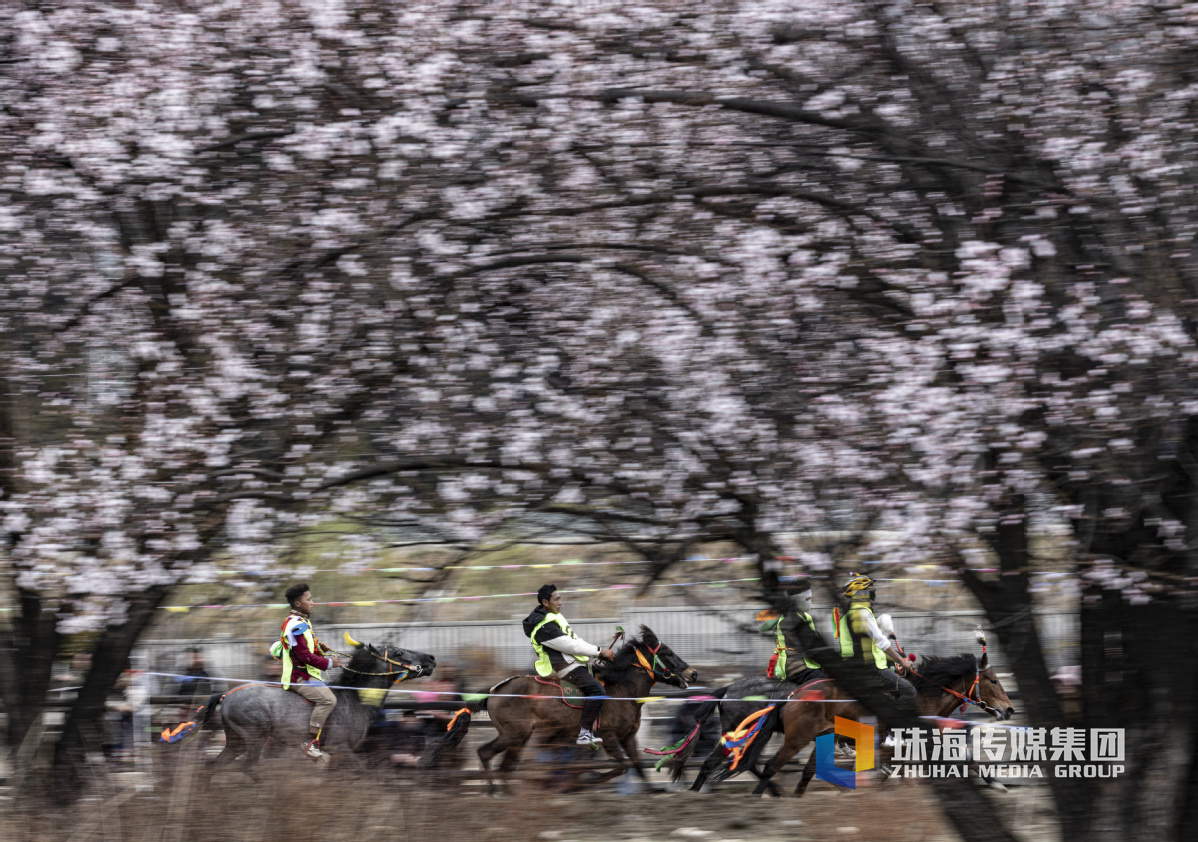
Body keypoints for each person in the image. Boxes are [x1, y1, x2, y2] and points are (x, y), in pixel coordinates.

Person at [522, 583, 614, 747]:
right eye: (557, 599)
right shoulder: (544, 626)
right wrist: (599, 651)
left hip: (575, 663)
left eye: (560, 599)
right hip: (565, 668)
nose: (560, 602)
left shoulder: (555, 617)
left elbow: (576, 641)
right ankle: (585, 733)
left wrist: (597, 652)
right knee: (597, 690)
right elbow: (570, 646)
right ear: (545, 602)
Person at [278, 582, 343, 760]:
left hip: (308, 674)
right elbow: (304, 657)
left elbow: (306, 652)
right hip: (298, 677)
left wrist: (321, 650)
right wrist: (329, 663)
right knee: (328, 700)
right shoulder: (295, 625)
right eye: (309, 599)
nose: (313, 603)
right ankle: (309, 741)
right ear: (298, 603)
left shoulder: (301, 622)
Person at [836, 574, 917, 704]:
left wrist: (896, 659)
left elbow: (874, 646)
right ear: (862, 592)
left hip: (854, 666)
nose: (874, 591)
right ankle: (892, 721)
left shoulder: (849, 614)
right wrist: (902, 661)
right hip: (868, 669)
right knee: (908, 691)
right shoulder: (862, 613)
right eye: (871, 588)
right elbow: (880, 641)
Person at [767, 577, 829, 687]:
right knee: (829, 684)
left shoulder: (804, 617)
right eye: (808, 599)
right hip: (797, 667)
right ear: (797, 601)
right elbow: (805, 646)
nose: (811, 602)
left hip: (808, 665)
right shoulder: (789, 620)